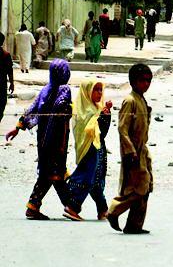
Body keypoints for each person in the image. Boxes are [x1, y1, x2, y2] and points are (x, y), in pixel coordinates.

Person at [6, 59, 80, 221]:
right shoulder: (64, 89)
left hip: (43, 140)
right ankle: (70, 206)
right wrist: (70, 109)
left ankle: (36, 206)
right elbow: (62, 109)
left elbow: (33, 109)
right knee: (55, 173)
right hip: (58, 139)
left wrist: (18, 127)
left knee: (50, 173)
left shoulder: (46, 90)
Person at [104, 64, 154, 234]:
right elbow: (122, 128)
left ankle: (134, 225)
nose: (146, 84)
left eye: (148, 81)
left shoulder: (141, 100)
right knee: (137, 188)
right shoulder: (130, 101)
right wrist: (130, 151)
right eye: (142, 81)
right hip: (132, 151)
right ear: (133, 82)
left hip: (142, 150)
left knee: (146, 187)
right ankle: (114, 211)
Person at [66, 80, 112, 219]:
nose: (99, 93)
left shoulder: (96, 108)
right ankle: (73, 206)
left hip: (98, 149)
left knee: (96, 179)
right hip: (89, 150)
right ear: (87, 92)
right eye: (95, 90)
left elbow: (102, 133)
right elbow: (95, 132)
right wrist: (102, 117)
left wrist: (106, 114)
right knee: (87, 176)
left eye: (100, 89)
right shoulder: (84, 112)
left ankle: (103, 210)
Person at [0, 33, 12, 122]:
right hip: (2, 85)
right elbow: (10, 70)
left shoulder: (6, 54)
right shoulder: (5, 54)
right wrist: (12, 83)